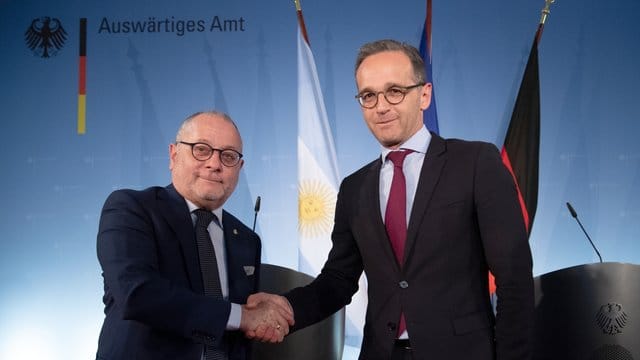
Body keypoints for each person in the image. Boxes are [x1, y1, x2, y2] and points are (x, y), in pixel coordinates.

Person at [248, 39, 534, 359]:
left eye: (394, 91)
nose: (381, 106)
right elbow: (338, 281)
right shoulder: (354, 187)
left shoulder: (476, 162)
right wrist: (287, 306)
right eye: (368, 95)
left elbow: (514, 278)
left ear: (424, 95)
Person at [96, 111, 293, 360]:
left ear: (239, 168)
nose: (214, 163)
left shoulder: (247, 239)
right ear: (173, 155)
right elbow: (137, 294)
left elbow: (240, 334)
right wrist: (243, 316)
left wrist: (266, 317)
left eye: (228, 156)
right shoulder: (131, 208)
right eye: (201, 150)